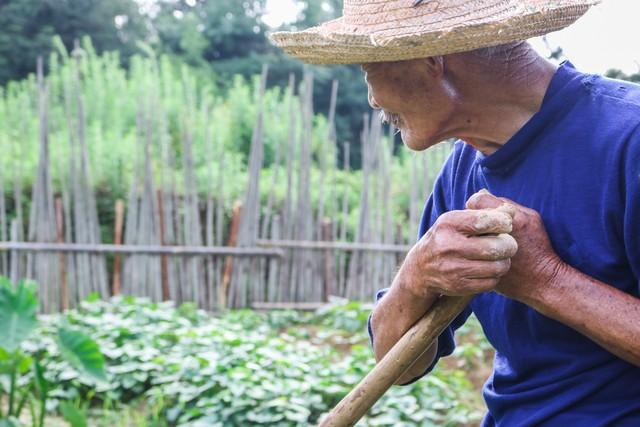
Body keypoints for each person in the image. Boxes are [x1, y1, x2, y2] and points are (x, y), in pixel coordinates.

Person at [271, 1, 640, 425]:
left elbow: (541, 280)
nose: (372, 98)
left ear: (430, 58)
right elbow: (400, 364)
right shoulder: (463, 169)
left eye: (368, 63)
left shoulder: (629, 139)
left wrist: (545, 280)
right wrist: (415, 278)